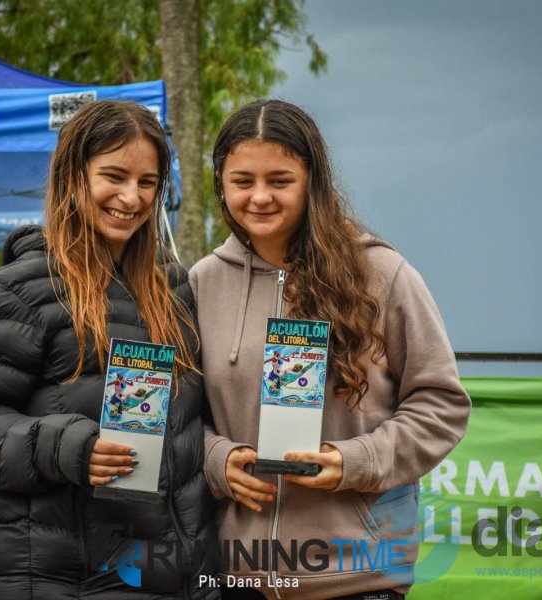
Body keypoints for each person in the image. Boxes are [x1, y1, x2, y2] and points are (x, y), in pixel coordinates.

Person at [189, 99, 471, 600]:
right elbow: (182, 414)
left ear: (312, 182)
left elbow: (441, 406)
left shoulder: (383, 276)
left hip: (359, 578)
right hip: (235, 577)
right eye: (242, 181)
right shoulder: (201, 282)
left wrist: (358, 460)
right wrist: (215, 459)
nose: (259, 197)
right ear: (220, 184)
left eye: (279, 180)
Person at [0, 100, 218, 598]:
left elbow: (190, 429)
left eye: (147, 182)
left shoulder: (175, 289)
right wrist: (71, 448)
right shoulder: (13, 292)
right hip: (60, 581)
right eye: (114, 176)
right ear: (73, 176)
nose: (131, 198)